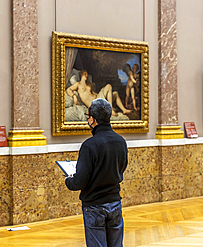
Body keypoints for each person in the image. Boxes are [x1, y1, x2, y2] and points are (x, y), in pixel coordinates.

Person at [65, 99, 128, 247]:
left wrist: (69, 180)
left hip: (94, 206)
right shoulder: (121, 141)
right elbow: (122, 168)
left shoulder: (89, 145)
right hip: (115, 203)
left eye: (88, 116)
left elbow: (80, 181)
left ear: (93, 119)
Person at [66, 70, 131, 116]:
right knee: (109, 86)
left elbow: (93, 93)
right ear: (81, 74)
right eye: (85, 74)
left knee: (115, 93)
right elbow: (68, 90)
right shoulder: (78, 84)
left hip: (98, 98)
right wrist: (74, 96)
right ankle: (110, 110)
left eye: (87, 74)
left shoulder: (88, 85)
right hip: (94, 103)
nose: (86, 75)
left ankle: (124, 110)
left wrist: (102, 94)